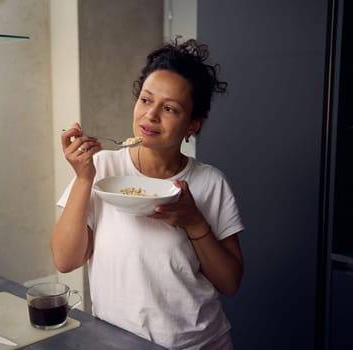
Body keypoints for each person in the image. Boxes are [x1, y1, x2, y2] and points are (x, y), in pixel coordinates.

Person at [51, 38, 244, 350]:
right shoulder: (102, 167)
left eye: (169, 108)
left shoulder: (210, 182)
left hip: (201, 342)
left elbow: (230, 282)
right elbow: (65, 259)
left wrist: (194, 222)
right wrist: (84, 179)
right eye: (145, 100)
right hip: (115, 342)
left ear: (193, 125)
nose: (150, 116)